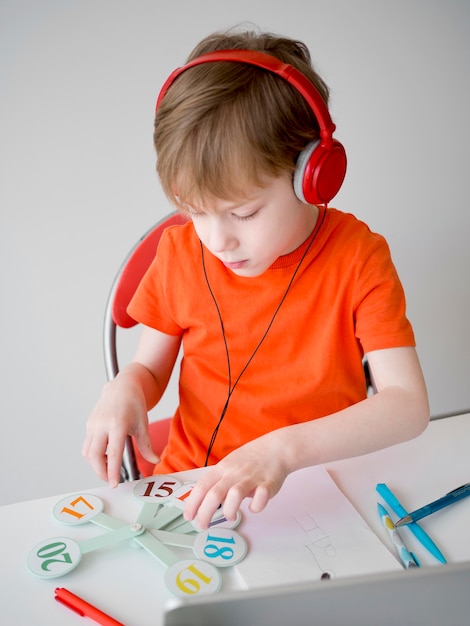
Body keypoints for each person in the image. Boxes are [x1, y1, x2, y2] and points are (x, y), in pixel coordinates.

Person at [82, 27, 429, 529]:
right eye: (196, 212)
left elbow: (407, 405)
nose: (217, 239)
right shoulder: (181, 253)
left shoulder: (358, 258)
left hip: (315, 486)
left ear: (312, 176)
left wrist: (283, 450)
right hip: (193, 490)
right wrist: (126, 389)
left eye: (243, 214)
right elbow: (151, 372)